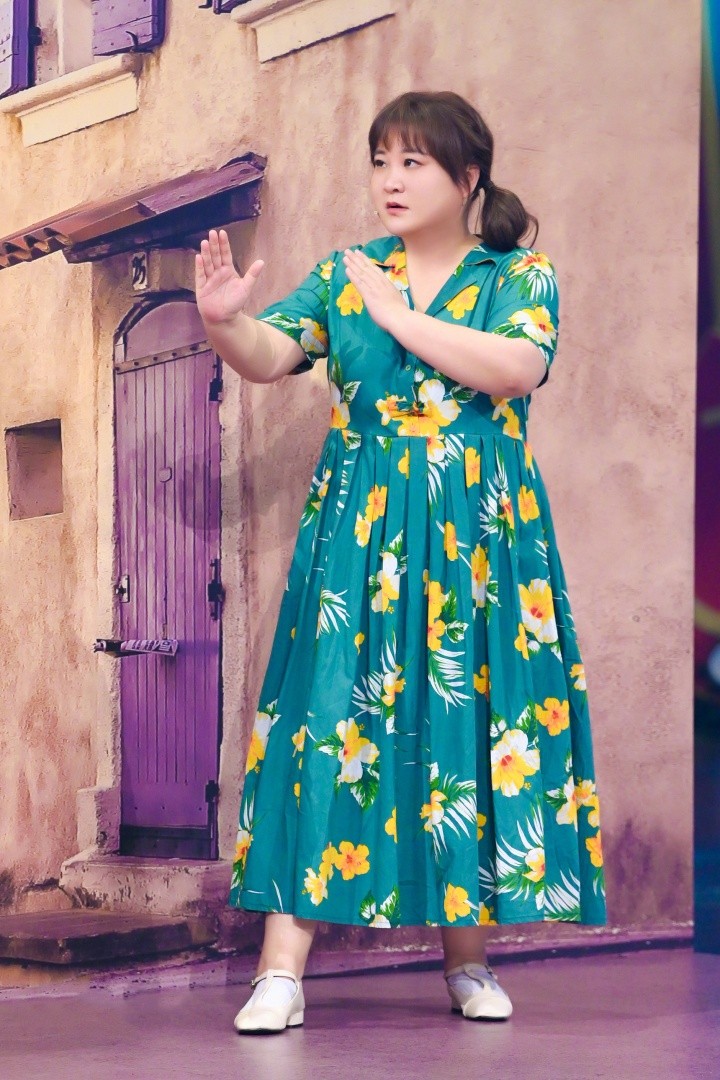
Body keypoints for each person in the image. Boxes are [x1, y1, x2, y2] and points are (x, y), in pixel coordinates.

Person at [195, 90, 607, 1034]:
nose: (390, 178)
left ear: (468, 177)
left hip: (478, 539)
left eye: (413, 161)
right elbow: (270, 352)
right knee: (327, 721)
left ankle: (468, 960)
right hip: (361, 531)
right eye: (381, 160)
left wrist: (398, 315)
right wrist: (223, 324)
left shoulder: (518, 273)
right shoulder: (346, 276)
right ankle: (280, 972)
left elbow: (516, 368)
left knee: (466, 719)